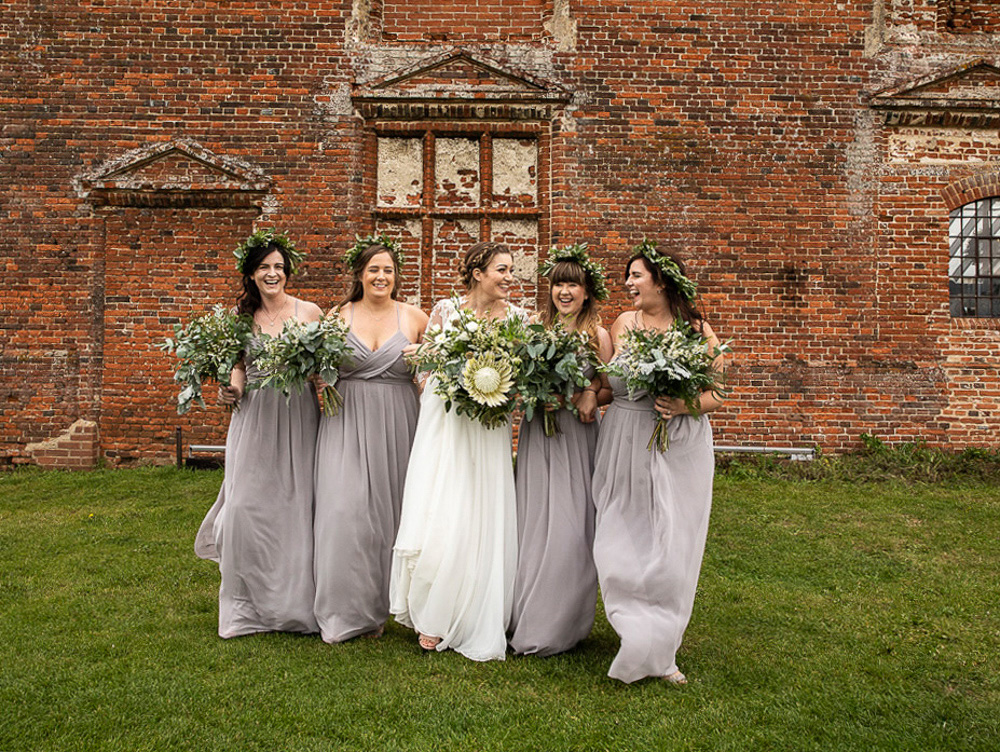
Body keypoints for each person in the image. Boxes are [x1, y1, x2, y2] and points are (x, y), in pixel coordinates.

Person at [592, 241, 726, 684]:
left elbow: (720, 391)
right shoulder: (624, 323)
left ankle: (661, 648)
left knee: (671, 543)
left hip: (678, 445)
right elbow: (609, 383)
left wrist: (686, 405)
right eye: (627, 275)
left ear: (662, 281)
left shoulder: (696, 331)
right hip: (624, 440)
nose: (627, 283)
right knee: (617, 536)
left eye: (635, 275)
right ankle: (634, 629)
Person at [389, 241, 528, 661]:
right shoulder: (446, 311)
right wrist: (442, 371)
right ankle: (434, 613)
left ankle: (476, 611)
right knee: (441, 502)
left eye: (510, 271)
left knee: (482, 506)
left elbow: (520, 376)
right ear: (477, 273)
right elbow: (426, 367)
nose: (508, 278)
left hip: (488, 423)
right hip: (446, 420)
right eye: (501, 270)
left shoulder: (519, 320)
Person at [195, 229, 324, 638]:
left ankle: (292, 608)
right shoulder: (241, 321)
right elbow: (237, 368)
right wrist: (230, 389)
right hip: (253, 418)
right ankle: (244, 608)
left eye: (279, 268)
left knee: (294, 507)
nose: (273, 274)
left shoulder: (310, 313)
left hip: (298, 417)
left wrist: (327, 385)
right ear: (251, 274)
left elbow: (323, 368)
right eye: (264, 268)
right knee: (245, 509)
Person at [313, 237, 428, 643]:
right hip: (346, 419)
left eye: (389, 270)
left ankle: (387, 607)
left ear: (397, 277)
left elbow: (434, 374)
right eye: (374, 269)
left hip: (399, 420)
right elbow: (319, 370)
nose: (382, 277)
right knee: (345, 512)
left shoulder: (415, 317)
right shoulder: (337, 316)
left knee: (393, 515)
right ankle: (348, 610)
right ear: (360, 274)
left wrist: (424, 363)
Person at [508, 245, 613, 657]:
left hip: (575, 437)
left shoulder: (597, 337)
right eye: (557, 283)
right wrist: (534, 393)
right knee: (532, 521)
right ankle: (525, 614)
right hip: (539, 434)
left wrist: (588, 392)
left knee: (571, 526)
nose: (564, 291)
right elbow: (515, 378)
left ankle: (561, 623)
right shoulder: (533, 328)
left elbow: (609, 387)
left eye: (572, 284)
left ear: (587, 291)